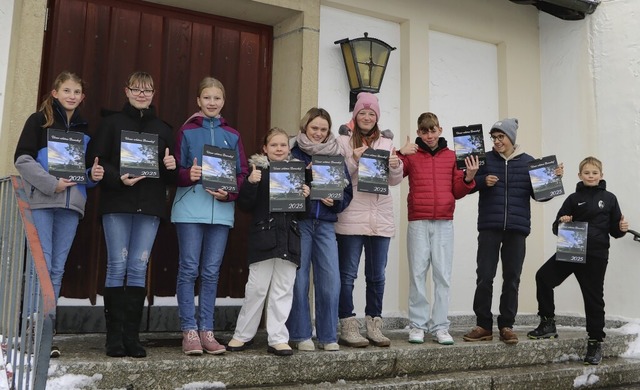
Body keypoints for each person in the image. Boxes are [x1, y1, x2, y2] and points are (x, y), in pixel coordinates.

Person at [14, 71, 104, 358]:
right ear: (54, 92)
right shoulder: (38, 121)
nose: (71, 96)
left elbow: (85, 174)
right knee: (42, 267)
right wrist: (52, 184)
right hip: (43, 202)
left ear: (82, 97)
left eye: (77, 92)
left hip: (71, 206)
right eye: (66, 90)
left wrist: (94, 175)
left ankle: (44, 332)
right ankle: (32, 331)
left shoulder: (85, 130)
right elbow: (23, 160)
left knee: (56, 269)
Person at [91, 71, 177, 358]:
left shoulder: (164, 129)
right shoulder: (111, 123)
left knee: (138, 268)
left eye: (147, 90)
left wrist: (169, 164)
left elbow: (169, 175)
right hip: (117, 204)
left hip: (150, 207)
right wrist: (118, 178)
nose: (142, 94)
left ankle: (132, 337)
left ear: (154, 94)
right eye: (136, 89)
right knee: (117, 265)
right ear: (126, 91)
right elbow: (97, 163)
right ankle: (113, 339)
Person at [463, 118, 563, 345]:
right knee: (484, 276)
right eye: (494, 138)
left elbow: (541, 196)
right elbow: (466, 185)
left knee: (512, 279)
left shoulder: (530, 163)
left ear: (511, 138)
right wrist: (481, 181)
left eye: (501, 137)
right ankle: (483, 325)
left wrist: (553, 179)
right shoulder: (484, 160)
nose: (497, 142)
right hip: (489, 226)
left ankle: (507, 325)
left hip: (517, 229)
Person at [171, 77, 248, 356]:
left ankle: (207, 330)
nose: (212, 102)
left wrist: (229, 194)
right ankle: (189, 330)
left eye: (217, 98)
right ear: (198, 101)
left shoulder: (233, 135)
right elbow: (175, 170)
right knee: (189, 269)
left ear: (223, 102)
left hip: (221, 211)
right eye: (207, 98)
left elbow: (242, 173)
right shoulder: (186, 131)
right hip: (190, 209)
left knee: (211, 273)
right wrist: (186, 175)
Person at [527, 156, 628, 365]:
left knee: (593, 299)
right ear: (580, 175)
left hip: (596, 254)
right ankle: (547, 323)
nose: (591, 176)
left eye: (595, 173)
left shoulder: (610, 198)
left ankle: (595, 342)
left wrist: (621, 228)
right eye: (587, 173)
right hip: (572, 246)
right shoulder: (573, 199)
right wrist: (563, 221)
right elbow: (556, 227)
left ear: (601, 175)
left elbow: (616, 231)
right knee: (544, 277)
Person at [227, 127, 310, 356]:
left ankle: (278, 338)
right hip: (263, 239)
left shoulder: (297, 173)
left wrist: (306, 196)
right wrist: (251, 183)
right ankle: (242, 335)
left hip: (289, 240)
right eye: (274, 145)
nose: (279, 149)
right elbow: (244, 206)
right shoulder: (258, 172)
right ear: (265, 148)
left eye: (283, 145)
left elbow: (303, 215)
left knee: (283, 290)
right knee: (256, 288)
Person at [397, 112, 479, 345]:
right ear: (418, 132)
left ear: (440, 130)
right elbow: (393, 173)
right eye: (424, 131)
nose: (429, 135)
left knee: (443, 276)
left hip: (444, 221)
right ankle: (417, 326)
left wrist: (468, 178)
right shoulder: (412, 155)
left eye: (433, 130)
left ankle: (441, 326)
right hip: (418, 221)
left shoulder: (453, 156)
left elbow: (458, 191)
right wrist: (399, 152)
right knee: (417, 274)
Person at [334, 92, 403, 348]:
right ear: (355, 116)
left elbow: (394, 180)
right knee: (347, 275)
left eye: (371, 113)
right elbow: (336, 176)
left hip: (380, 218)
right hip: (351, 216)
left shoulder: (386, 143)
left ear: (377, 117)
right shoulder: (342, 142)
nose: (366, 117)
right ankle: (348, 324)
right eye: (362, 113)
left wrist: (395, 165)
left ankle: (374, 324)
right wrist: (354, 159)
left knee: (377, 276)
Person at [286, 108, 353, 352]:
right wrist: (306, 173)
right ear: (305, 127)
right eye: (315, 128)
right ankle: (301, 334)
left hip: (325, 224)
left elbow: (346, 193)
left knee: (330, 281)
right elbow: (283, 187)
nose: (319, 133)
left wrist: (334, 202)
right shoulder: (293, 153)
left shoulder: (336, 155)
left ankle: (327, 336)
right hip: (301, 223)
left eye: (323, 129)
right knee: (299, 281)